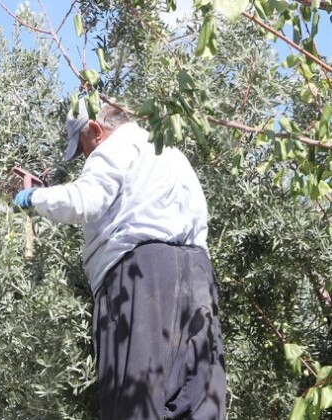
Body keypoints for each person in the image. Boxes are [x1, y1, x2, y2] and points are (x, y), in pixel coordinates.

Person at [14, 100, 227, 419]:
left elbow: (85, 199)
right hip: (198, 277)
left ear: (97, 131)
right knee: (199, 403)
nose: (86, 157)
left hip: (138, 277)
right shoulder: (172, 153)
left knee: (134, 404)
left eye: (83, 148)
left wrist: (36, 199)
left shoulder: (114, 146)